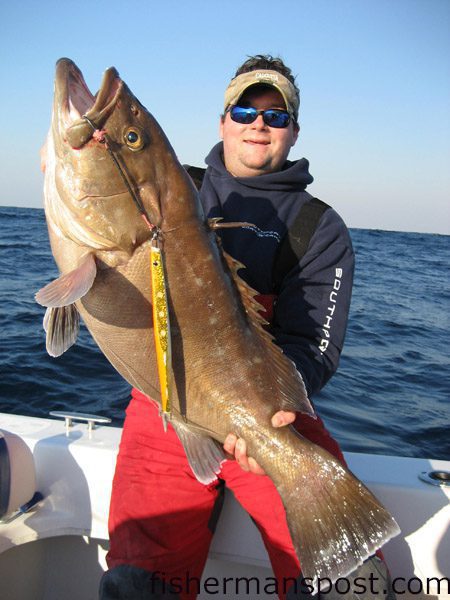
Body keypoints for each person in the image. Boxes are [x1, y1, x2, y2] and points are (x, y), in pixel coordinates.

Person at [100, 55, 394, 599]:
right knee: (136, 580)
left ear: (293, 132)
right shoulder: (169, 188)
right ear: (222, 122)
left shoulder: (318, 227)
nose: (258, 124)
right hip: (166, 402)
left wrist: (276, 411)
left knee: (350, 581)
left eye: (275, 116)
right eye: (244, 110)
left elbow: (313, 343)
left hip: (266, 409)